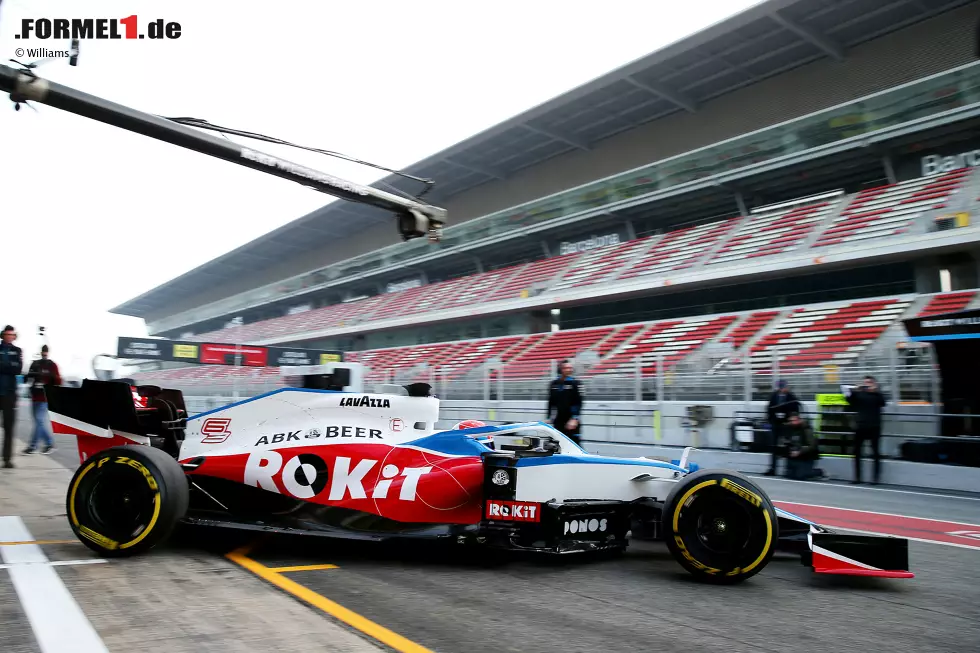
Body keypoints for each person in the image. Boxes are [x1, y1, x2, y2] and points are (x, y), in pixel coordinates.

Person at [846, 375, 886, 485]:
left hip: (874, 426)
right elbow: (849, 401)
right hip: (860, 426)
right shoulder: (859, 394)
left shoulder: (877, 394)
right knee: (856, 452)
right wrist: (854, 390)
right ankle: (857, 477)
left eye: (870, 382)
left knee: (875, 452)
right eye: (866, 382)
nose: (867, 384)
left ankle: (875, 478)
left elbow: (882, 403)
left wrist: (876, 391)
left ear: (874, 383)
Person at [23, 344, 61, 455]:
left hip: (44, 398)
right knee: (38, 422)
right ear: (41, 352)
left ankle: (32, 446)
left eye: (45, 351)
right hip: (35, 397)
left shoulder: (52, 365)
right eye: (43, 351)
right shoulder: (35, 364)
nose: (44, 353)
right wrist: (30, 374)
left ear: (48, 352)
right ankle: (49, 443)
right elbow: (27, 378)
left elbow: (58, 381)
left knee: (39, 421)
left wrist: (52, 376)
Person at [764, 379, 800, 476]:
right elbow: (769, 409)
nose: (782, 389)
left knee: (788, 446)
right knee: (774, 447)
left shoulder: (791, 397)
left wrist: (790, 420)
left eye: (784, 387)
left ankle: (788, 469)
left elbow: (796, 410)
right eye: (781, 387)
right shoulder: (773, 396)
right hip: (776, 424)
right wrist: (771, 420)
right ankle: (773, 468)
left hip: (787, 425)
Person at [0, 325, 24, 469]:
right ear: (3, 335)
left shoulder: (17, 351)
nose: (9, 337)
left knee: (9, 428)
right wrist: (9, 366)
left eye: (12, 334)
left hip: (9, 394)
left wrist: (3, 366)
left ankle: (7, 459)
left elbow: (18, 369)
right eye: (7, 334)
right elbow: (12, 368)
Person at [547, 360, 583, 447]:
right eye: (566, 368)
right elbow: (551, 402)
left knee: (574, 445)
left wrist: (574, 418)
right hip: (558, 420)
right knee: (557, 444)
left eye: (570, 368)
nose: (569, 370)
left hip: (571, 420)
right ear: (560, 369)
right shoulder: (553, 384)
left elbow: (579, 402)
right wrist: (548, 417)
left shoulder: (576, 383)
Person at [782, 412, 822, 480]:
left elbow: (811, 446)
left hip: (806, 455)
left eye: (794, 420)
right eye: (791, 421)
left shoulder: (806, 429)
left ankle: (819, 472)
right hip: (794, 455)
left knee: (800, 476)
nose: (792, 422)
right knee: (789, 475)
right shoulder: (789, 429)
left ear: (799, 420)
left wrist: (799, 452)